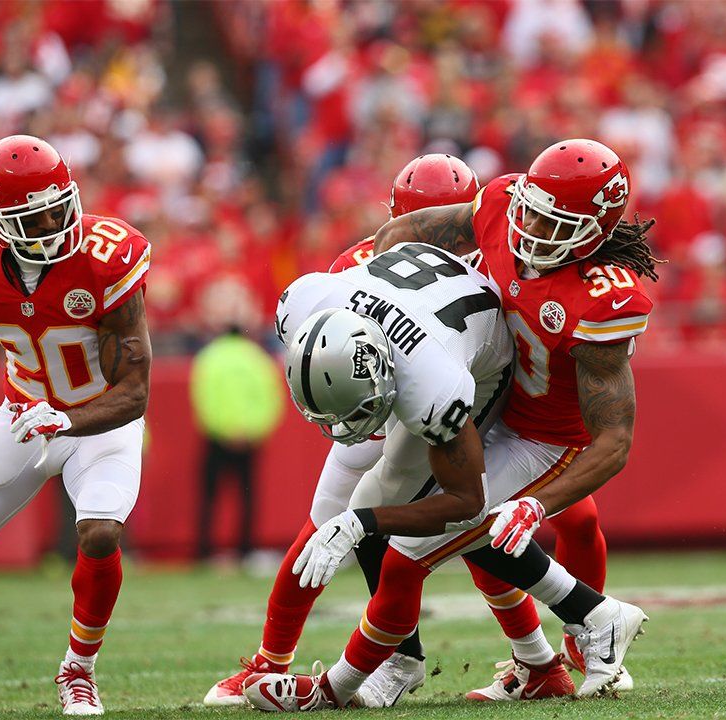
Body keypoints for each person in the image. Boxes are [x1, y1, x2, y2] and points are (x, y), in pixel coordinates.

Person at [240, 240, 648, 711]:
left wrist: (363, 523)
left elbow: (466, 502)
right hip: (428, 322)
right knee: (378, 507)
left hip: (484, 369)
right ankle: (580, 620)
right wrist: (365, 519)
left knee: (406, 543)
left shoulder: (432, 386)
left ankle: (344, 685)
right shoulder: (306, 300)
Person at [376, 138, 663, 702]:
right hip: (488, 407)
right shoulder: (502, 205)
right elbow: (397, 235)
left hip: (544, 437)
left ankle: (367, 679)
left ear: (595, 232)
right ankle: (566, 643)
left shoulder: (601, 298)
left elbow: (614, 441)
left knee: (427, 542)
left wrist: (536, 503)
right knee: (465, 530)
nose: (530, 228)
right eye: (532, 208)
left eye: (556, 223)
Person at [203, 153, 481, 706]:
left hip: (433, 413)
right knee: (341, 535)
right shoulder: (480, 268)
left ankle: (536, 656)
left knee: (479, 531)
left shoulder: (369, 259)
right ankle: (537, 656)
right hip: (398, 415)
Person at [0, 135, 153, 717]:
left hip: (97, 420)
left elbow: (136, 393)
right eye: (33, 214)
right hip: (22, 416)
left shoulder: (106, 258)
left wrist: (65, 419)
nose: (52, 223)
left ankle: (79, 670)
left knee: (99, 533)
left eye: (57, 205)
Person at [189, 326, 285, 561]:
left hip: (217, 438)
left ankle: (204, 550)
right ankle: (245, 549)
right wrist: (252, 430)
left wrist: (222, 430)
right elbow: (272, 398)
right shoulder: (258, 358)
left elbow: (203, 398)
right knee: (247, 497)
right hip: (249, 440)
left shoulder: (209, 357)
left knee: (209, 497)